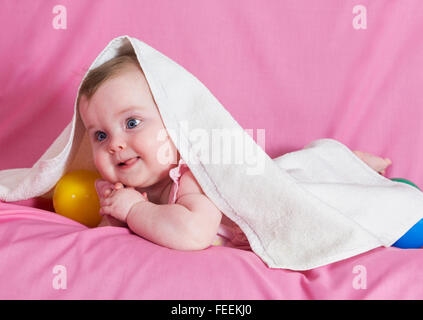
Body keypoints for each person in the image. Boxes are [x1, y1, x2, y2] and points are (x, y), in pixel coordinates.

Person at [78, 51, 392, 251]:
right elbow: (115, 244)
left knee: (312, 187)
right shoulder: (127, 190)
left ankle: (348, 164)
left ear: (174, 122)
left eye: (132, 122)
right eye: (100, 135)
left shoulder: (190, 176)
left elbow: (193, 233)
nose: (114, 144)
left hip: (273, 198)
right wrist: (117, 215)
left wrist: (134, 211)